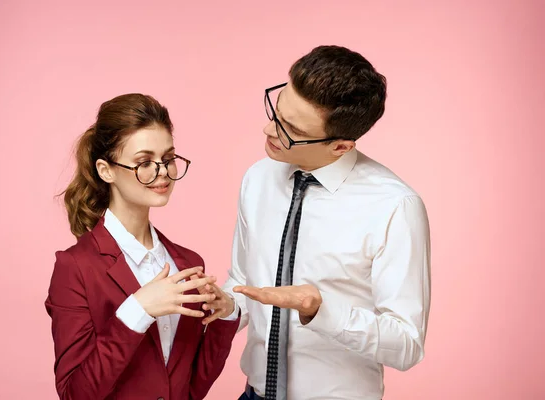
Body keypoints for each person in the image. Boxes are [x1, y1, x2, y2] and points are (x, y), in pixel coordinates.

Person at [208, 45, 431, 400]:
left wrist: (320, 311)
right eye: (276, 110)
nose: (268, 129)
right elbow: (245, 284)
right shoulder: (259, 177)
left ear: (340, 146)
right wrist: (225, 305)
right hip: (252, 393)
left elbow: (406, 344)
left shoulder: (394, 207)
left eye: (290, 128)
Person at [44, 93, 239, 400]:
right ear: (106, 170)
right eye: (144, 162)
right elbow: (74, 395)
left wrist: (227, 315)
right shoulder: (76, 267)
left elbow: (192, 389)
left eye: (168, 158)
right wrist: (138, 310)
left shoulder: (187, 263)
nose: (162, 172)